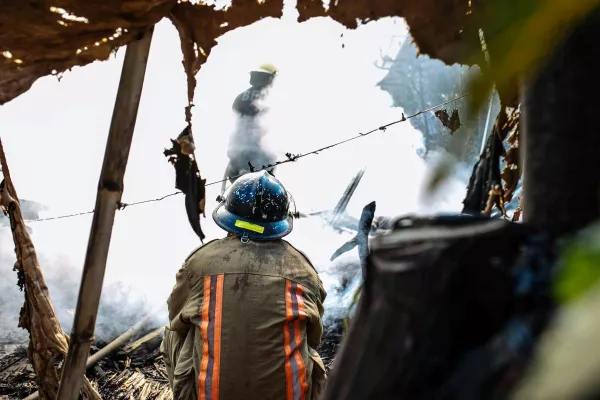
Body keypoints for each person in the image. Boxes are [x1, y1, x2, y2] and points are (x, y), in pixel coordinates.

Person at [161, 170, 328, 400]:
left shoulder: (200, 263)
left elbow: (175, 315)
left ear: (229, 216)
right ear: (280, 221)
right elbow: (315, 334)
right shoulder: (304, 270)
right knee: (307, 346)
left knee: (176, 333)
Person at [222, 64, 279, 195]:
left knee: (240, 195)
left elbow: (236, 125)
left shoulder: (240, 97)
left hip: (237, 155)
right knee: (260, 195)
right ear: (269, 78)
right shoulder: (270, 98)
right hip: (260, 158)